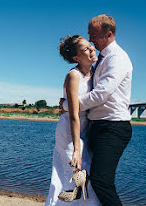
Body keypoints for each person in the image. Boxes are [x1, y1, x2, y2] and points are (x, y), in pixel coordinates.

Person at [61, 14, 133, 206]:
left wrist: (68, 105)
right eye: (89, 35)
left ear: (108, 34)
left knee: (101, 181)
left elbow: (100, 95)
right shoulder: (99, 59)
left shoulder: (117, 58)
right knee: (89, 181)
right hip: (96, 127)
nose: (91, 40)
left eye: (94, 35)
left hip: (113, 127)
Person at [45, 35, 101, 206]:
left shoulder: (94, 71)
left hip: (84, 130)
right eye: (85, 49)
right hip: (70, 131)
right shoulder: (73, 76)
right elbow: (73, 114)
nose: (92, 49)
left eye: (91, 45)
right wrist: (77, 149)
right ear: (76, 58)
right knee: (72, 177)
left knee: (85, 179)